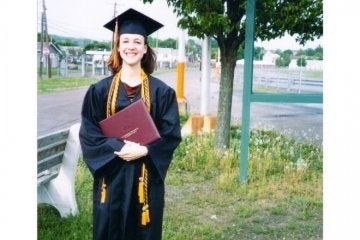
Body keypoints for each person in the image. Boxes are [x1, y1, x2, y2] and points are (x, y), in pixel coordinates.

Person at [79, 8, 182, 240]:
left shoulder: (162, 93)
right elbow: (89, 132)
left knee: (143, 229)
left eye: (137, 41)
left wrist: (145, 149)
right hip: (111, 174)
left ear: (145, 48)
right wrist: (118, 146)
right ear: (118, 46)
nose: (131, 46)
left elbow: (171, 134)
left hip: (145, 179)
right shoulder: (99, 91)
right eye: (125, 40)